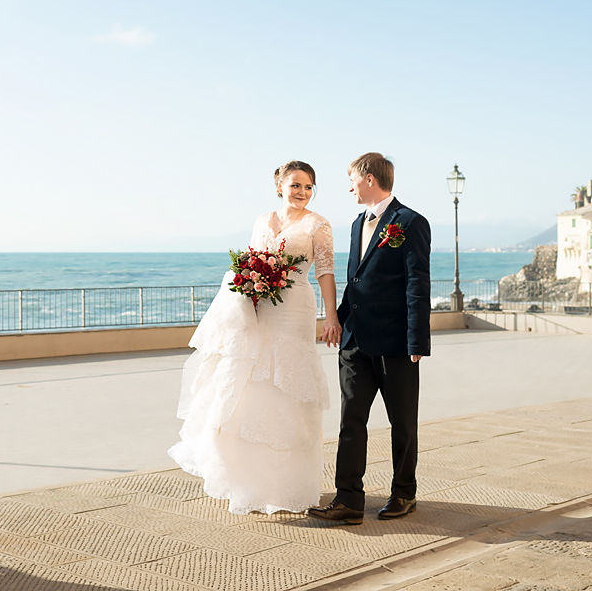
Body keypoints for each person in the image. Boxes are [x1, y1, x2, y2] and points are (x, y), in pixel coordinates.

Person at [169, 160, 341, 514]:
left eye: (309, 187)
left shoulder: (318, 225)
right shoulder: (262, 221)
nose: (302, 192)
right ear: (279, 185)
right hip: (259, 309)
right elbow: (249, 260)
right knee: (252, 384)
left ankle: (289, 486)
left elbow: (325, 272)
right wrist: (249, 284)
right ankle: (251, 484)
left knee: (288, 389)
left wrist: (332, 316)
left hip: (295, 309)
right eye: (296, 185)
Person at [308, 152, 430, 525]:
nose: (349, 188)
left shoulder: (410, 222)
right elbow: (355, 281)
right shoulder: (356, 223)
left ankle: (404, 493)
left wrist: (416, 344)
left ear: (369, 178)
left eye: (352, 180)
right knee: (351, 422)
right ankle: (348, 501)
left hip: (396, 346)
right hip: (355, 343)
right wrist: (338, 321)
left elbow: (417, 285)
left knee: (403, 424)